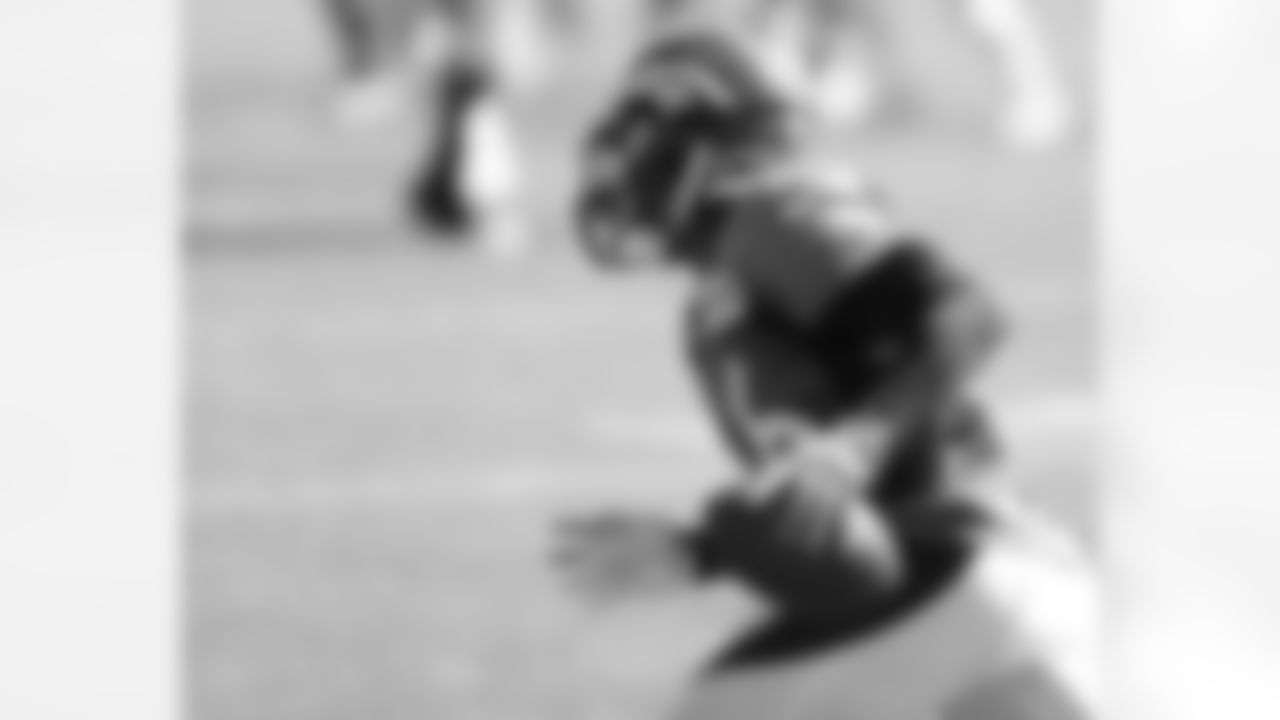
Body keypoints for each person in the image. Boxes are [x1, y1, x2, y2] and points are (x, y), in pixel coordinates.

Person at [554, 29, 1099, 720]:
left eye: (646, 133)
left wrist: (855, 445)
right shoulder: (720, 293)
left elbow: (967, 316)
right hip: (978, 599)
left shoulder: (774, 214)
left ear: (712, 141)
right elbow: (839, 520)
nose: (625, 160)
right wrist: (704, 553)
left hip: (965, 576)